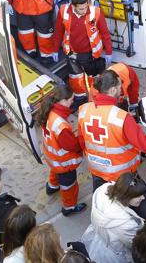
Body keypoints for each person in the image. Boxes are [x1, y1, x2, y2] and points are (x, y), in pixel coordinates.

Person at [34, 85, 86, 215]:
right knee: (69, 185)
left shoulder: (47, 111)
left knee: (55, 171)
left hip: (52, 157)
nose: (73, 101)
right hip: (64, 163)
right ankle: (69, 207)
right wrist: (81, 139)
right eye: (71, 99)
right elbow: (72, 145)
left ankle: (52, 187)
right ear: (63, 101)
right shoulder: (60, 124)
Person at [82, 172, 146, 263]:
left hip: (98, 237)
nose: (143, 198)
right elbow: (133, 244)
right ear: (126, 197)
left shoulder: (102, 190)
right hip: (114, 254)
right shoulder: (127, 224)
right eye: (138, 196)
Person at [53, 0, 113, 75]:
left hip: (89, 54)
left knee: (91, 78)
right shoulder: (63, 11)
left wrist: (108, 52)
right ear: (73, 6)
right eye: (81, 9)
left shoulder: (96, 12)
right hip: (71, 53)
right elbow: (58, 32)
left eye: (86, 7)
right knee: (75, 79)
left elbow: (105, 33)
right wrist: (55, 49)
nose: (85, 11)